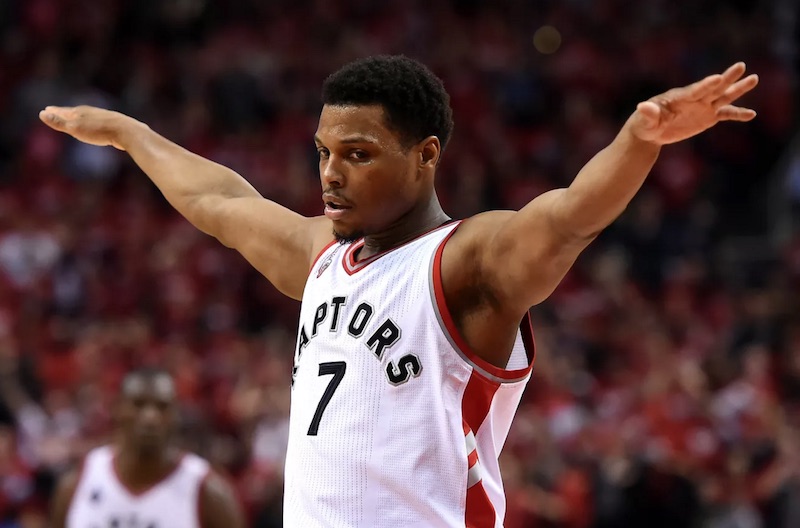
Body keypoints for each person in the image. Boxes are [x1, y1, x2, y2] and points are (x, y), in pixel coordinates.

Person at [39, 55, 758, 527]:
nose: (331, 173)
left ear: (425, 156)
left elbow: (568, 220)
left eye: (358, 154)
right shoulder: (323, 257)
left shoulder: (463, 264)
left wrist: (638, 141)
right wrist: (131, 135)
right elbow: (219, 200)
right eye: (324, 152)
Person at [49, 368, 245, 528]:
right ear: (117, 409)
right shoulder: (78, 482)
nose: (150, 417)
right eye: (138, 404)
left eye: (162, 407)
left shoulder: (207, 491)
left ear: (176, 415)